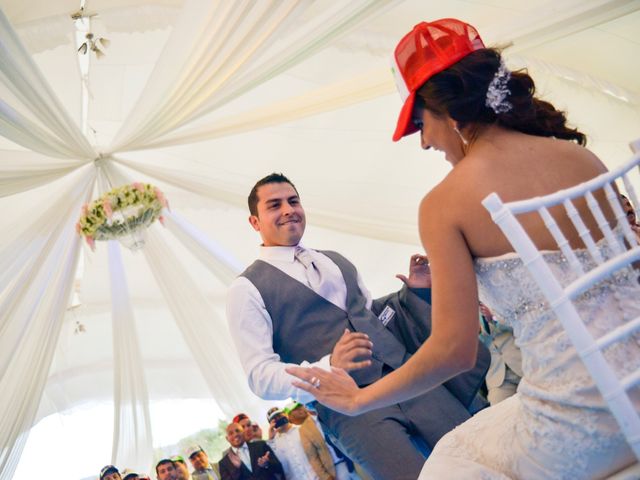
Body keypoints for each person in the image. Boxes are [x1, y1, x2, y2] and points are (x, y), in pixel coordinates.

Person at [287, 18, 640, 480]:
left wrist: (357, 398)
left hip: (582, 423)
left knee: (450, 461)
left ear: (448, 111)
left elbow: (455, 352)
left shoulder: (445, 204)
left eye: (420, 122)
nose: (425, 141)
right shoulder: (581, 158)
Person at [226, 171, 490, 479]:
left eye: (293, 201)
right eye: (274, 205)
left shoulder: (336, 260)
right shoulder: (245, 289)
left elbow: (370, 316)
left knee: (478, 457)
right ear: (255, 222)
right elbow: (260, 375)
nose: (288, 210)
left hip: (408, 377)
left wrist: (415, 291)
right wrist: (329, 367)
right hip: (350, 410)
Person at [285, 402, 359, 480]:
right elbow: (312, 457)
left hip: (354, 456)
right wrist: (325, 477)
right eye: (295, 410)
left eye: (300, 406)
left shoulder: (328, 411)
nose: (300, 410)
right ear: (290, 416)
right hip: (336, 467)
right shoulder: (304, 429)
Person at [478, 302, 522, 405]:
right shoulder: (463, 310)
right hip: (497, 376)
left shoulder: (490, 295)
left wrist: (493, 318)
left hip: (520, 361)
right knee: (496, 411)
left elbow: (518, 321)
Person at [266, 407, 322, 479]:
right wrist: (271, 439)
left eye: (279, 415)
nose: (278, 419)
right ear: (271, 424)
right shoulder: (272, 443)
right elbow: (277, 466)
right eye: (274, 419)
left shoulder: (302, 429)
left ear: (286, 414)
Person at [219, 422, 285, 480]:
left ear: (243, 432)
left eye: (238, 431)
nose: (235, 434)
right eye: (231, 433)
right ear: (227, 438)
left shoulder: (261, 445)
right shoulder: (224, 463)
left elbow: (279, 468)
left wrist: (267, 464)